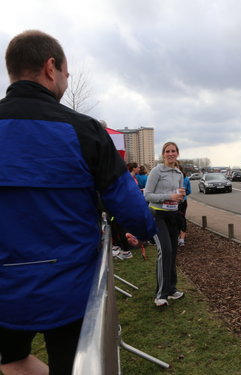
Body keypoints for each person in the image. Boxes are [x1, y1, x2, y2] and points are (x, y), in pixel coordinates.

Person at [0, 30, 157, 375]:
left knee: (10, 359)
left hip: (5, 292)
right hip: (69, 293)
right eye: (67, 74)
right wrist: (146, 230)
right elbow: (131, 208)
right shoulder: (84, 130)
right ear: (51, 67)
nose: (67, 82)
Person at [144, 142, 185, 307]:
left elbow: (178, 195)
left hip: (172, 215)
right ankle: (160, 295)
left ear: (177, 154)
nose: (170, 154)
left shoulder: (179, 173)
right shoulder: (157, 170)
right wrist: (168, 196)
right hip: (156, 215)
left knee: (173, 252)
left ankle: (171, 289)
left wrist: (179, 197)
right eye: (167, 151)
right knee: (165, 251)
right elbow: (147, 195)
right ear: (163, 155)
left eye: (173, 151)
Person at [176, 163, 192, 247]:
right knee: (182, 219)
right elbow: (189, 191)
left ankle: (177, 236)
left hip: (173, 202)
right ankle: (182, 239)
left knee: (174, 219)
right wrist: (184, 195)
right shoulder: (186, 178)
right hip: (183, 202)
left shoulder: (171, 178)